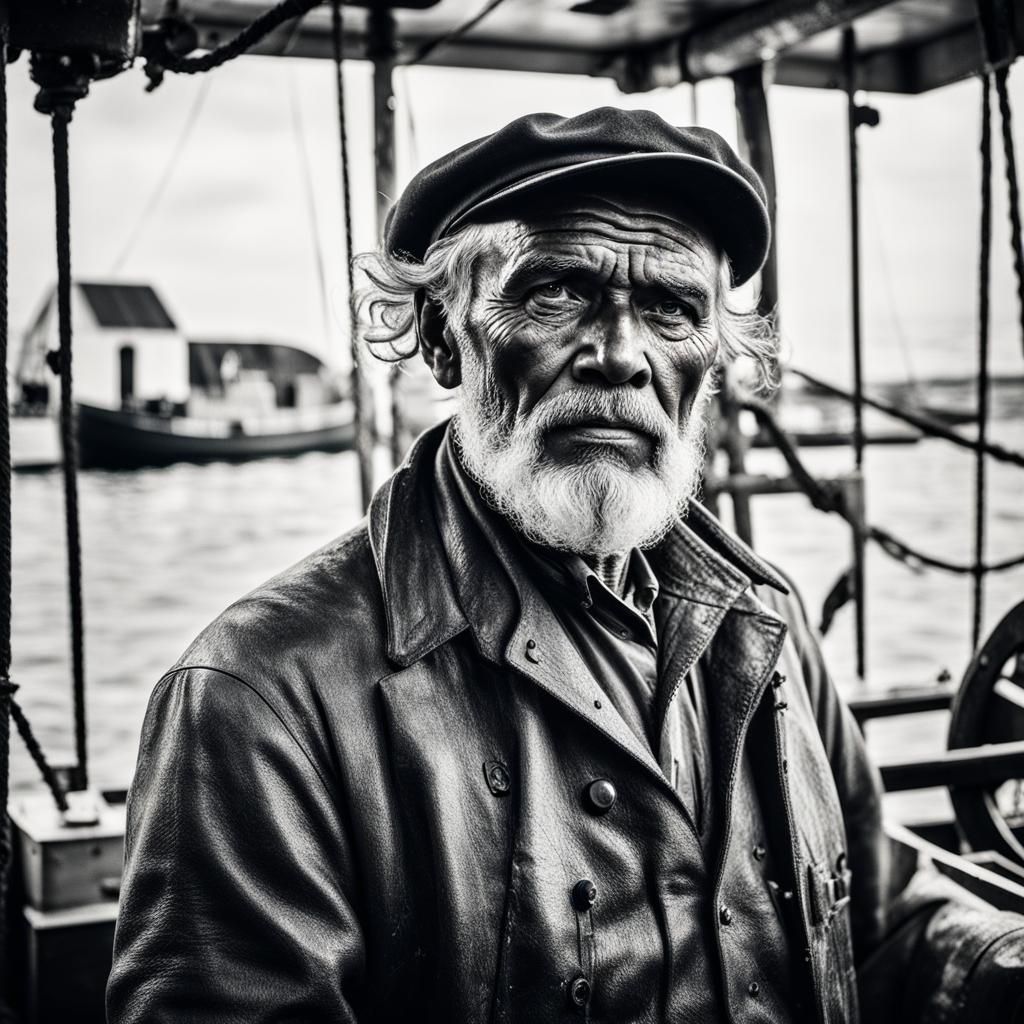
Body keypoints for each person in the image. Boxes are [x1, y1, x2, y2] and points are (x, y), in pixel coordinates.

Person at [107, 107, 1024, 1024]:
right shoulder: (261, 694)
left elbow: (882, 926)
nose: (620, 357)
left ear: (713, 360)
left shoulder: (763, 622)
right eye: (554, 293)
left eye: (671, 310)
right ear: (442, 335)